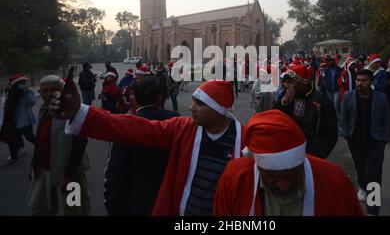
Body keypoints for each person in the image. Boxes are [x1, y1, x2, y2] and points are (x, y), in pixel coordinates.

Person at [48, 80, 244, 216]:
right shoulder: (183, 128)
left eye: (200, 104)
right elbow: (132, 127)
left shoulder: (243, 141)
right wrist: (80, 112)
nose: (192, 107)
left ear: (219, 110)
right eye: (193, 101)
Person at [214, 109, 363, 216]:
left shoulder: (334, 180)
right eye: (272, 176)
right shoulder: (234, 179)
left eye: (294, 174)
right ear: (258, 165)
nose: (284, 186)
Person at [104, 76, 179, 215]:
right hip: (170, 200)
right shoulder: (176, 119)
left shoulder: (125, 125)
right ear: (159, 97)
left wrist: (112, 207)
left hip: (136, 203)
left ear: (135, 99)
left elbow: (114, 173)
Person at [27, 75, 89, 215]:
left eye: (54, 89)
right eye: (45, 91)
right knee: (40, 208)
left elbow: (79, 145)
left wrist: (68, 175)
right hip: (43, 171)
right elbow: (40, 141)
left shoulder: (72, 111)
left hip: (71, 175)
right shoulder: (44, 109)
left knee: (75, 210)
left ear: (62, 90)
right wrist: (34, 164)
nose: (49, 94)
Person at [341, 69, 390, 216]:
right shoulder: (348, 96)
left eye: (363, 80)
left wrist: (383, 137)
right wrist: (346, 134)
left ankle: (373, 208)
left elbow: (386, 119)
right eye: (357, 80)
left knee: (374, 174)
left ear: (371, 82)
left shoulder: (381, 98)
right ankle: (363, 186)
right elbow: (345, 117)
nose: (359, 83)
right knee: (360, 167)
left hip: (375, 142)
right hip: (355, 141)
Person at [274, 64, 338, 159]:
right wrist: (284, 101)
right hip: (290, 149)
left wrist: (317, 155)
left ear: (302, 82)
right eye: (285, 82)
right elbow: (277, 116)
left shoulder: (320, 100)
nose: (286, 85)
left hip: (311, 152)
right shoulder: (287, 94)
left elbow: (331, 133)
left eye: (290, 82)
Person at [0, 75, 36, 165]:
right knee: (13, 137)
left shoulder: (25, 92)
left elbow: (32, 102)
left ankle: (44, 146)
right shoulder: (11, 92)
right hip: (14, 121)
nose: (23, 85)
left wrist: (26, 91)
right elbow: (6, 104)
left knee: (29, 136)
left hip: (25, 121)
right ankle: (18, 152)